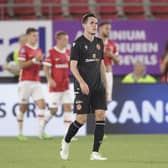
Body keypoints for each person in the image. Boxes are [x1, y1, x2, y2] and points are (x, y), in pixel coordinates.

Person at [60, 13, 107, 161]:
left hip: (98, 87)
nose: (95, 25)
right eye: (92, 23)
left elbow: (101, 64)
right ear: (84, 25)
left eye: (96, 23)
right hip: (83, 86)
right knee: (81, 119)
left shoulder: (100, 42)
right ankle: (66, 141)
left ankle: (95, 153)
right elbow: (72, 66)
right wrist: (81, 82)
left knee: (100, 116)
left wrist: (105, 84)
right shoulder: (78, 43)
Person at [17, 27, 46, 140]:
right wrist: (34, 60)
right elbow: (21, 65)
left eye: (37, 36)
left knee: (42, 105)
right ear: (28, 36)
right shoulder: (23, 49)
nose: (36, 38)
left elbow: (38, 66)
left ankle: (40, 132)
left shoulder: (38, 49)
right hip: (25, 81)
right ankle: (20, 133)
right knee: (23, 107)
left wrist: (43, 64)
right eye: (34, 35)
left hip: (36, 81)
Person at [43, 31, 74, 136]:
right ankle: (41, 126)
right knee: (53, 110)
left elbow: (72, 66)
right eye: (65, 39)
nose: (67, 41)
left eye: (67, 39)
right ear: (59, 40)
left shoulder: (68, 52)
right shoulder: (51, 52)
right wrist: (49, 79)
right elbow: (46, 67)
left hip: (65, 85)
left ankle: (68, 134)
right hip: (55, 86)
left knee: (68, 107)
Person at [98, 21, 119, 102]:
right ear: (100, 29)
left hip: (108, 74)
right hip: (96, 75)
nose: (108, 31)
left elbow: (118, 62)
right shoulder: (93, 42)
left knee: (106, 100)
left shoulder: (112, 44)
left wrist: (111, 55)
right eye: (106, 28)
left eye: (109, 29)